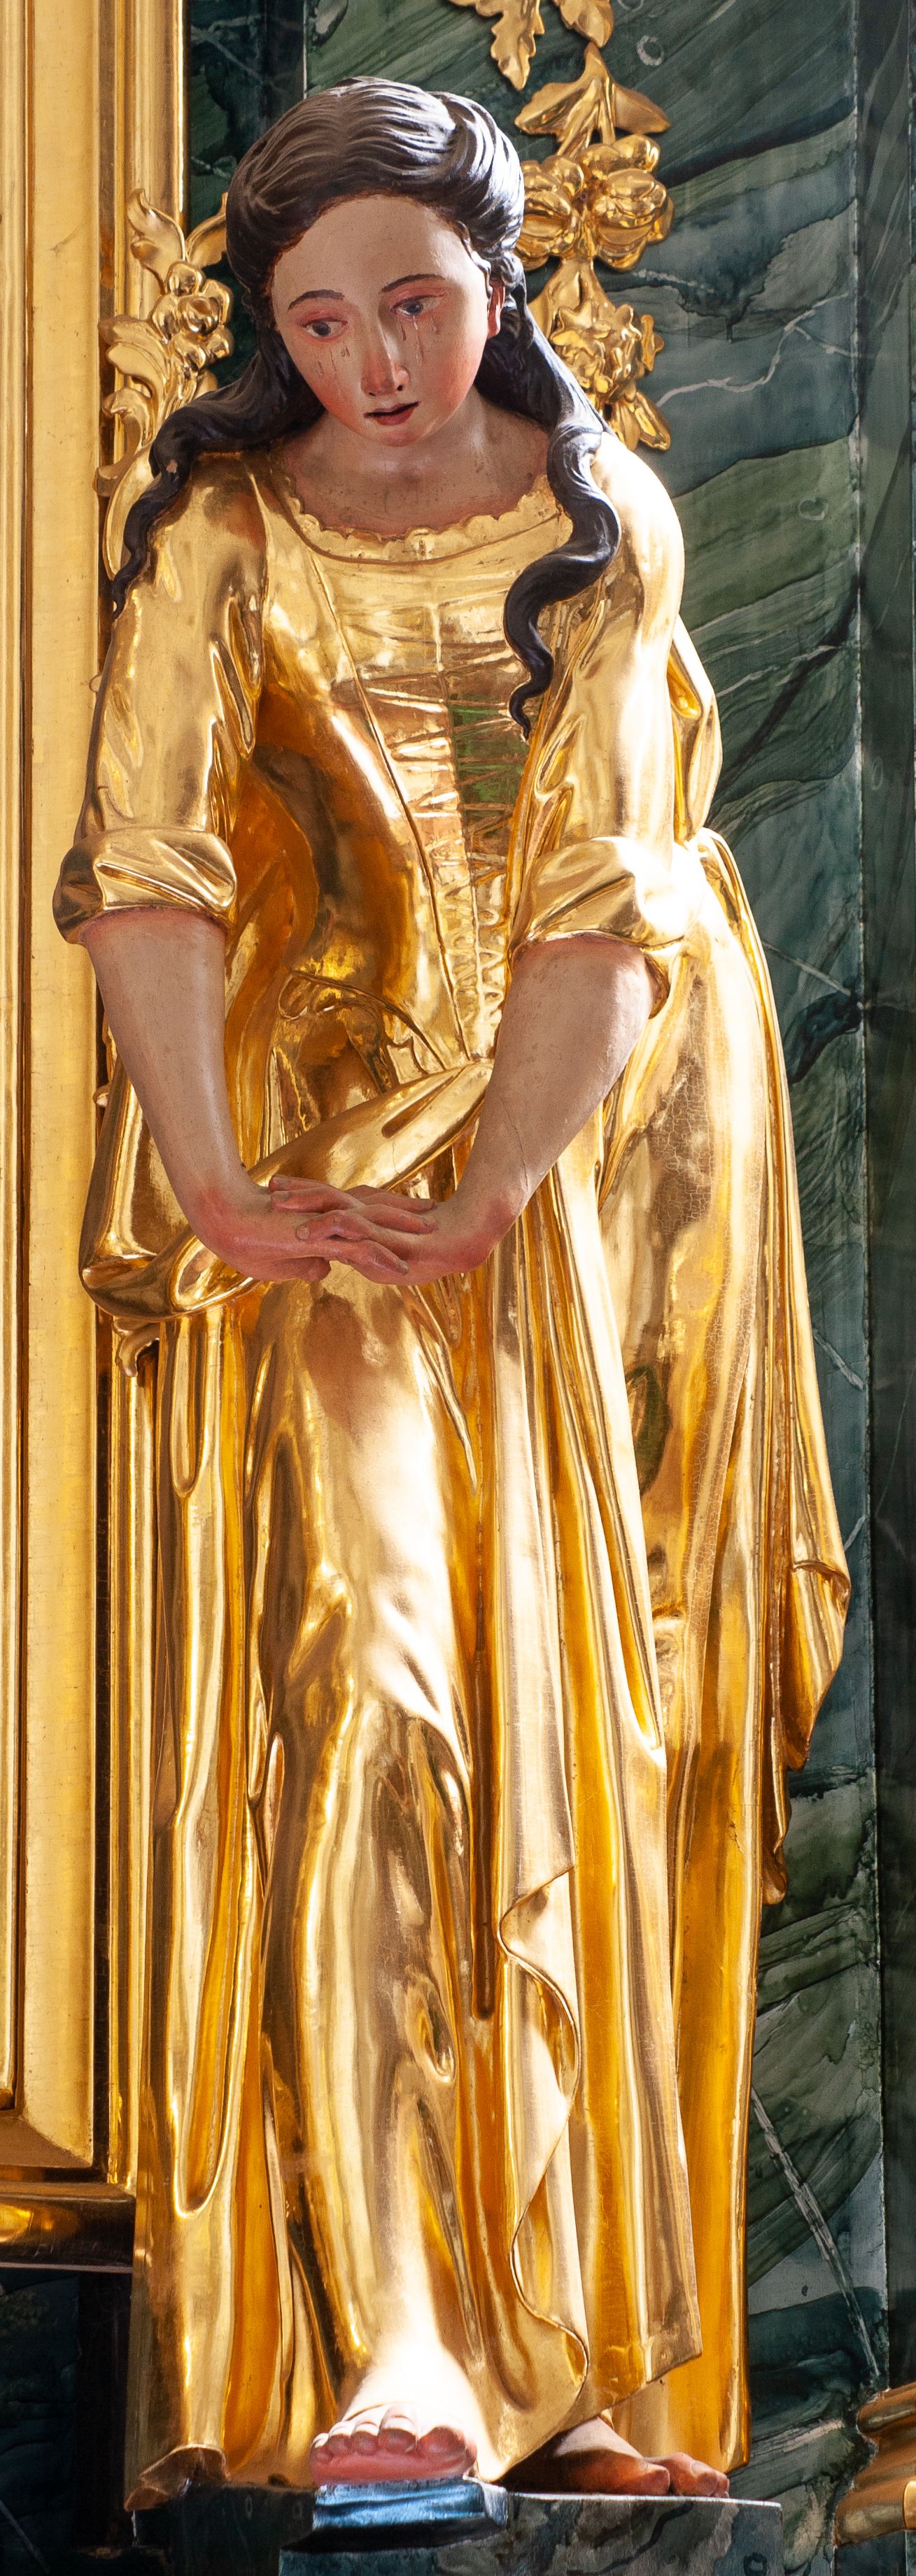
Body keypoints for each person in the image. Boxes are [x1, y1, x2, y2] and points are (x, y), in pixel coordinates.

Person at [54, 78, 848, 2513]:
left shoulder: (605, 520)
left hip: (578, 1167)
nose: (374, 364)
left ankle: (580, 2348)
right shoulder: (223, 523)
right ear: (269, 331)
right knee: (375, 1675)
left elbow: (609, 886)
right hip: (313, 1174)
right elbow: (150, 859)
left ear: (502, 286)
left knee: (589, 1731)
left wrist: (503, 1183)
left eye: (414, 304)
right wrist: (220, 1181)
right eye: (319, 322)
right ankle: (390, 2317)